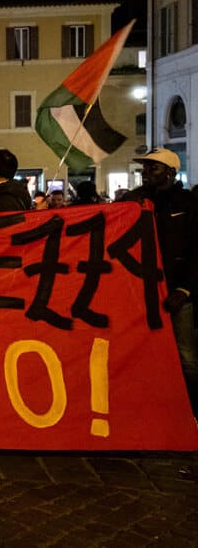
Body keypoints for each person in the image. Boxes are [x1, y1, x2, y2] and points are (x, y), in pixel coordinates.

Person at [118, 148, 197, 413]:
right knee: (144, 353)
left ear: (171, 173)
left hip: (177, 292)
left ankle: (190, 413)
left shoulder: (188, 203)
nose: (146, 172)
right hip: (143, 292)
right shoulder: (136, 201)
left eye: (154, 167)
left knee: (186, 358)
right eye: (145, 167)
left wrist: (185, 290)